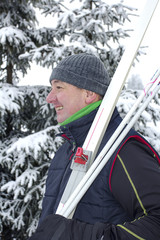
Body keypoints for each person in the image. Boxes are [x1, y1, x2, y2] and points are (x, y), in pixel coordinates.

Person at [29, 53, 160, 240]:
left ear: (89, 93)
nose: (50, 98)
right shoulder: (66, 150)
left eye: (59, 87)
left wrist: (84, 235)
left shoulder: (121, 149)